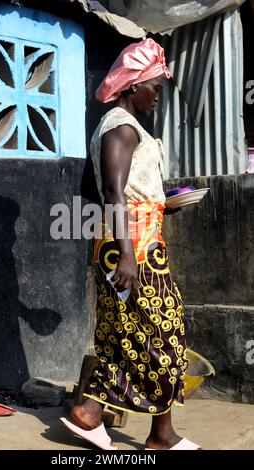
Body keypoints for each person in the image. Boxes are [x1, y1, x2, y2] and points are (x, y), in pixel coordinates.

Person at [61, 38, 200, 451]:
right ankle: (160, 435)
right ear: (132, 84)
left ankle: (91, 414)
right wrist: (125, 253)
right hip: (134, 250)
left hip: (130, 241)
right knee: (166, 333)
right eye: (154, 86)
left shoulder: (123, 126)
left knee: (125, 335)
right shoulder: (121, 126)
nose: (158, 95)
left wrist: (161, 206)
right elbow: (112, 190)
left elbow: (112, 191)